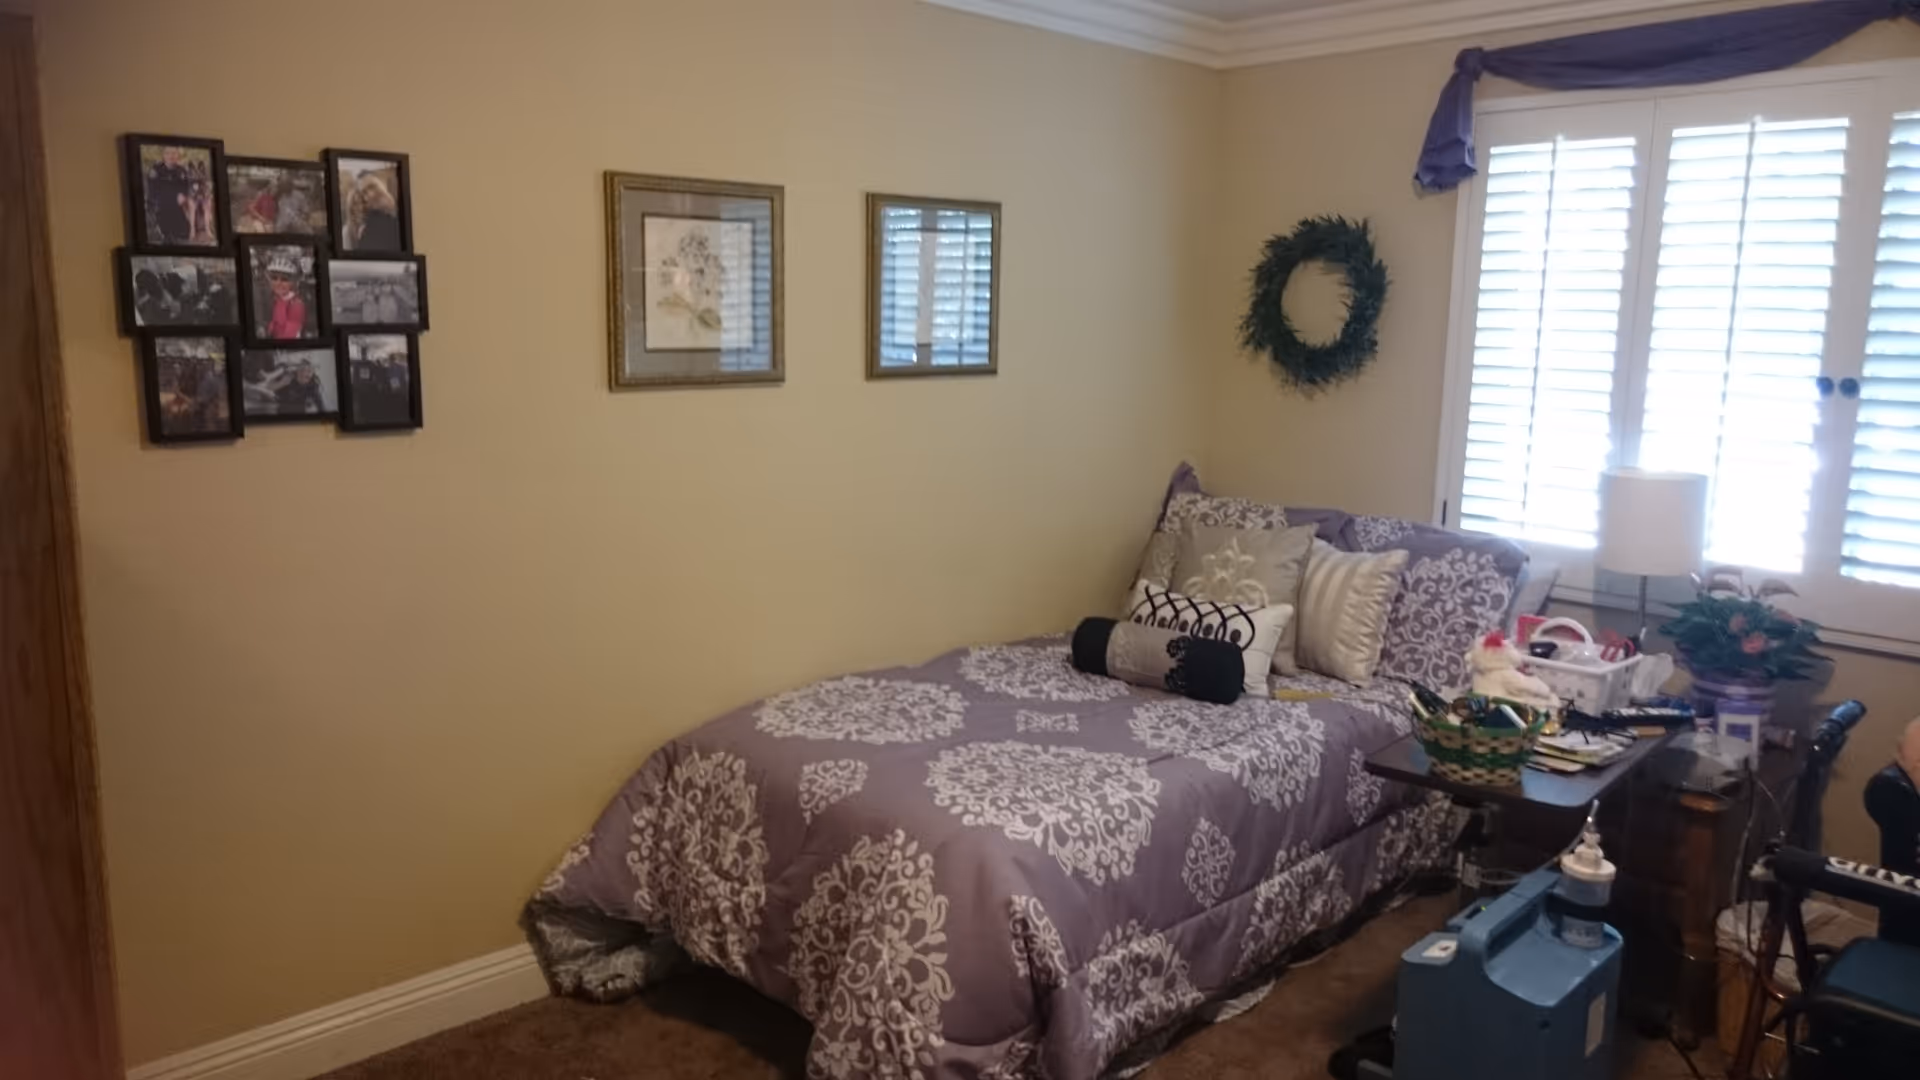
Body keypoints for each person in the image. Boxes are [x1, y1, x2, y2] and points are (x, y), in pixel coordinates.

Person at [350, 172, 402, 251]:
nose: (371, 194)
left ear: (382, 184)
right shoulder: (368, 230)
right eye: (364, 192)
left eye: (372, 187)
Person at [262, 255, 308, 340]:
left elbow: (290, 336)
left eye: (284, 279)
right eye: (274, 278)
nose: (278, 283)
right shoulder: (276, 300)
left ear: (293, 282)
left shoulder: (295, 304)